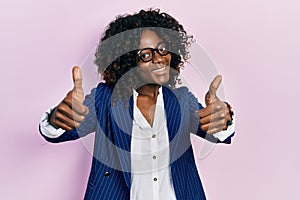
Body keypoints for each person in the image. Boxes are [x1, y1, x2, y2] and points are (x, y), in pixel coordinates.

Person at [39, 8, 235, 200]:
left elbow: (214, 130)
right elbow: (65, 129)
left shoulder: (181, 99)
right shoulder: (105, 98)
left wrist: (223, 117)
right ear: (127, 61)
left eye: (163, 49)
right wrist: (57, 119)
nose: (159, 59)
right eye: (146, 55)